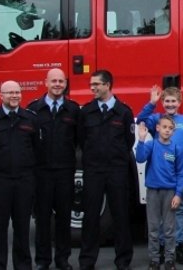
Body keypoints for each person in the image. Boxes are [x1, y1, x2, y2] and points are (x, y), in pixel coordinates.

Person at [0, 80, 39, 270]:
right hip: (0, 181)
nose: (14, 96)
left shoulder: (30, 119)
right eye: (10, 93)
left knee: (22, 227)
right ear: (1, 95)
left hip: (24, 181)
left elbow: (38, 148)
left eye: (17, 92)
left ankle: (23, 265)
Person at [77, 69, 135, 270]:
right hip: (93, 170)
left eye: (97, 84)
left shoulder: (124, 112)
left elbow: (129, 141)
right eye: (91, 84)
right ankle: (87, 260)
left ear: (108, 85)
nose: (93, 88)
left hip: (117, 171)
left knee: (120, 215)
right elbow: (82, 140)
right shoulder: (86, 112)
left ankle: (123, 260)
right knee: (91, 216)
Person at [136, 85, 183, 265]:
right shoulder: (157, 118)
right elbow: (141, 120)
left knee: (178, 208)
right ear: (163, 103)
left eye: (173, 101)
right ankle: (162, 247)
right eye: (167, 101)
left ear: (179, 103)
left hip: (179, 172)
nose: (170, 104)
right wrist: (151, 103)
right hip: (158, 176)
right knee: (159, 214)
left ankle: (180, 245)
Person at [28, 68, 80, 270]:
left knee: (64, 218)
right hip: (41, 173)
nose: (58, 84)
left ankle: (62, 259)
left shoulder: (73, 110)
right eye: (54, 81)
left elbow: (79, 139)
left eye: (61, 81)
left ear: (65, 84)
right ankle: (42, 261)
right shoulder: (34, 109)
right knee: (42, 218)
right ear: (45, 83)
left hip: (65, 172)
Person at [136, 115, 183, 270]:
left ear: (173, 131)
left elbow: (181, 173)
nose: (167, 130)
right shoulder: (151, 145)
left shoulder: (176, 149)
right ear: (158, 128)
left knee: (169, 229)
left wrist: (178, 194)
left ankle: (169, 260)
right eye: (164, 127)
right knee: (153, 228)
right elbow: (140, 159)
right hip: (153, 191)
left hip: (170, 193)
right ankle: (154, 259)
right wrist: (141, 140)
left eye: (170, 128)